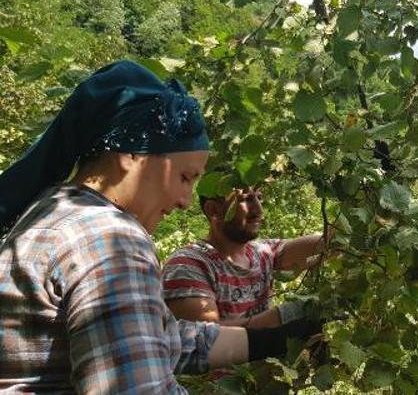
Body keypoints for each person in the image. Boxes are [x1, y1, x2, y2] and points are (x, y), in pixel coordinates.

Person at [0, 60, 256, 393]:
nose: (185, 200)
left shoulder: (53, 210)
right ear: (129, 155)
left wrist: (281, 332)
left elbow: (149, 340)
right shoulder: (109, 239)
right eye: (185, 177)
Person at [161, 186, 329, 332]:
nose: (259, 210)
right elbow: (205, 341)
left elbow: (328, 244)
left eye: (259, 197)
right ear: (213, 210)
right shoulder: (188, 265)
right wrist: (281, 317)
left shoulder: (262, 252)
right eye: (246, 199)